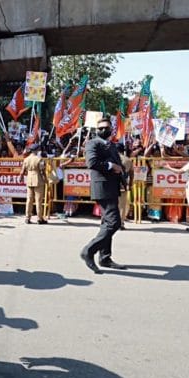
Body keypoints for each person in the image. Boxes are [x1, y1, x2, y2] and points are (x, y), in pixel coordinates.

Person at [80, 117, 127, 273]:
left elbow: (118, 164)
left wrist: (120, 173)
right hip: (102, 186)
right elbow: (91, 163)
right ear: (96, 130)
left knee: (106, 223)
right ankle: (89, 250)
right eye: (100, 128)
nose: (103, 130)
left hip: (112, 186)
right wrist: (111, 165)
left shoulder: (112, 145)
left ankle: (105, 257)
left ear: (111, 128)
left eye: (106, 127)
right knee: (114, 222)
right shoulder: (93, 143)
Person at [18, 144, 47, 224]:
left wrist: (20, 177)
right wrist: (46, 179)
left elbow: (22, 170)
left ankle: (27, 218)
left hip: (29, 179)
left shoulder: (26, 159)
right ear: (37, 150)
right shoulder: (39, 159)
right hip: (38, 179)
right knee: (38, 200)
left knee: (29, 200)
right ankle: (39, 218)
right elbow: (42, 171)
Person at [117, 144, 134, 229]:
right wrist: (130, 184)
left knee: (110, 204)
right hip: (122, 184)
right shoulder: (128, 160)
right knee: (122, 205)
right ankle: (121, 223)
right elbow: (131, 174)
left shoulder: (111, 158)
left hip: (111, 185)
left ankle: (107, 221)